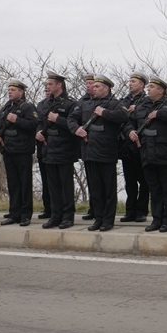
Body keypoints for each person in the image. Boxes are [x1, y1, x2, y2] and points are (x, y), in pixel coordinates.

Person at [69, 74, 128, 231]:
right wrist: (77, 129)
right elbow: (71, 119)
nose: (93, 89)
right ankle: (98, 218)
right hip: (89, 151)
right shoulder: (85, 104)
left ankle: (108, 220)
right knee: (95, 189)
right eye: (93, 86)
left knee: (108, 189)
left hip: (107, 152)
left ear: (106, 88)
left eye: (97, 86)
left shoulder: (115, 103)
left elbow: (123, 115)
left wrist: (104, 113)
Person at [126, 76, 167, 232]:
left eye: (151, 87)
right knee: (155, 190)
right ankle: (156, 219)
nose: (148, 89)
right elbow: (129, 121)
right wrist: (130, 131)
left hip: (166, 154)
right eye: (148, 87)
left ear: (160, 90)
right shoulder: (141, 106)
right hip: (147, 153)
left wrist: (159, 114)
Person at [37, 71, 80, 229]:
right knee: (52, 186)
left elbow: (73, 125)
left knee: (66, 185)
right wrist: (39, 132)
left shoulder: (70, 104)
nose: (47, 86)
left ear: (59, 85)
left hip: (64, 149)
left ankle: (68, 216)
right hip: (49, 149)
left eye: (50, 84)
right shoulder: (47, 103)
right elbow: (41, 121)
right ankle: (56, 216)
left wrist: (58, 119)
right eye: (47, 84)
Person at [0, 79, 38, 226]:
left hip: (23, 150)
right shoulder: (6, 107)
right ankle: (14, 213)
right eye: (9, 90)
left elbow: (33, 125)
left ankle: (25, 215)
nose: (10, 92)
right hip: (8, 150)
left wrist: (17, 119)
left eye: (13, 89)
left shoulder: (28, 107)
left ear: (21, 92)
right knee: (13, 184)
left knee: (24, 183)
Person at [119, 71, 150, 223]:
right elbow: (120, 119)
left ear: (142, 84)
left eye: (134, 81)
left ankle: (141, 211)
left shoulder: (146, 100)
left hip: (141, 145)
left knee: (144, 180)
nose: (130, 83)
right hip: (126, 145)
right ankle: (130, 211)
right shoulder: (123, 100)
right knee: (129, 181)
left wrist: (136, 110)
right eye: (130, 81)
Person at [78, 72, 97, 221]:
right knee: (91, 180)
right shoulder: (82, 101)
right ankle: (93, 208)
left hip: (100, 147)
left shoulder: (107, 102)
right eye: (87, 84)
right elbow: (73, 118)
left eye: (91, 83)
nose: (88, 86)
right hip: (86, 146)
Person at [35, 84, 52, 220]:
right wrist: (38, 132)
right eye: (45, 89)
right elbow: (37, 122)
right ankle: (48, 208)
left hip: (55, 148)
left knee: (56, 182)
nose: (47, 91)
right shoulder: (40, 105)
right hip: (42, 148)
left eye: (48, 89)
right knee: (46, 181)